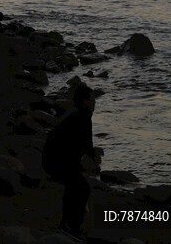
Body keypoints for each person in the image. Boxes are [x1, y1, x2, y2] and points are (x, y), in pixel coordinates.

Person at [42, 83, 103, 241]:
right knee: (82, 189)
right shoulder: (83, 116)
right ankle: (70, 227)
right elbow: (86, 147)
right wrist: (95, 156)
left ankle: (66, 225)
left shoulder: (76, 114)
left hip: (53, 158)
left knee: (75, 186)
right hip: (56, 160)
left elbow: (76, 145)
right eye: (92, 100)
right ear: (84, 102)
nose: (95, 102)